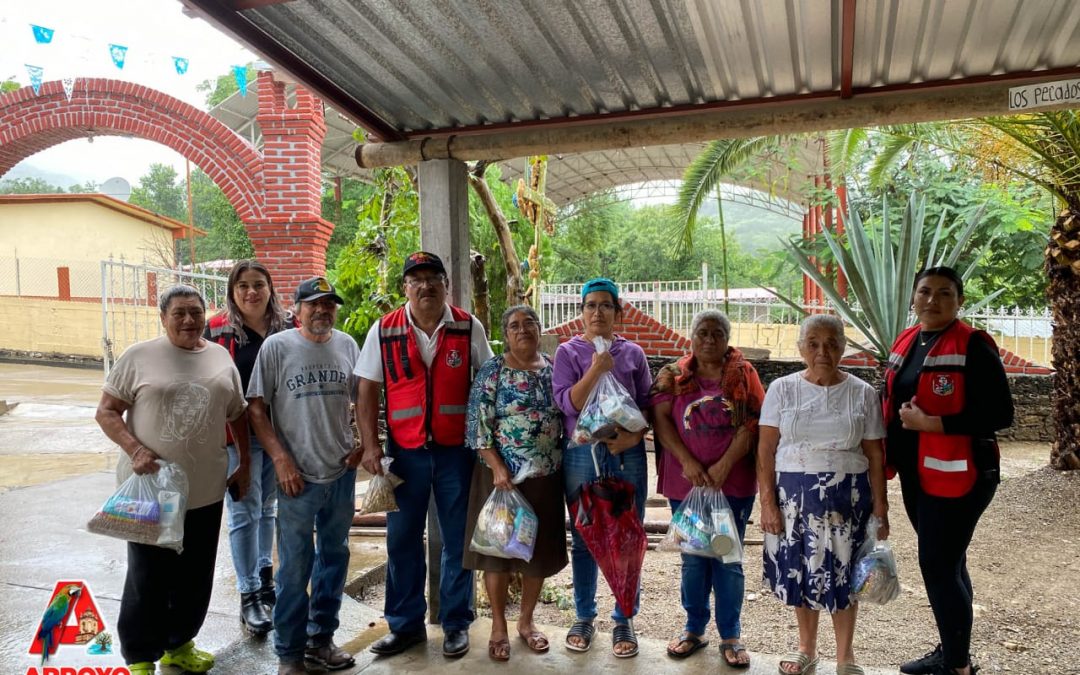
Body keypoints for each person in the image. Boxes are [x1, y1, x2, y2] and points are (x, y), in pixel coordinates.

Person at [95, 285, 249, 675]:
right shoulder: (139, 357)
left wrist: (244, 463)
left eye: (195, 312)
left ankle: (179, 643)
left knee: (196, 572)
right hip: (150, 488)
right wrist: (135, 449)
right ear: (162, 317)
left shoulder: (219, 357)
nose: (188, 320)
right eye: (178, 312)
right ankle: (142, 656)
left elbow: (238, 415)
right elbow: (107, 412)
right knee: (148, 573)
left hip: (205, 487)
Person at [357, 251, 494, 659]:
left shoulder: (468, 328)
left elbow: (486, 384)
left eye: (433, 278)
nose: (425, 286)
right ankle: (405, 626)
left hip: (456, 455)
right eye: (416, 279)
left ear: (446, 285)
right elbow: (366, 389)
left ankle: (455, 623)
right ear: (405, 288)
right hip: (405, 455)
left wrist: (486, 445)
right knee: (401, 541)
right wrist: (370, 445)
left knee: (457, 540)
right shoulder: (383, 330)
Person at [884, 267, 1013, 675]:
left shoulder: (973, 345)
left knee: (937, 565)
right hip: (918, 474)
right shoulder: (908, 341)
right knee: (950, 563)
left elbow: (1001, 412)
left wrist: (934, 425)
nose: (932, 300)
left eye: (944, 293)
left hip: (962, 473)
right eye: (924, 291)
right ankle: (955, 652)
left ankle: (955, 666)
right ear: (913, 298)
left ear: (959, 301)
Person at [757, 314, 889, 675]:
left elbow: (875, 454)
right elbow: (765, 451)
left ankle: (846, 658)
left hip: (850, 500)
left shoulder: (862, 393)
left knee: (845, 575)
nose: (823, 351)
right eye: (813, 343)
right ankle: (806, 650)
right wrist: (767, 504)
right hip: (795, 501)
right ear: (801, 348)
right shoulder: (781, 389)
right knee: (802, 571)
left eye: (832, 343)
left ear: (844, 348)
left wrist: (882, 507)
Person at [246, 276, 361, 675]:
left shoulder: (347, 344)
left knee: (335, 558)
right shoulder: (277, 347)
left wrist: (364, 441)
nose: (322, 311)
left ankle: (321, 640)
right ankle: (289, 654)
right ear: (297, 309)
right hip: (297, 476)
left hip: (341, 471)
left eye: (329, 305)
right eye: (314, 304)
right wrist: (279, 458)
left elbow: (360, 398)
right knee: (295, 567)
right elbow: (256, 408)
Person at [651, 310, 764, 669]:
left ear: (727, 338)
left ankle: (731, 635)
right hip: (687, 487)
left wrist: (724, 464)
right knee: (694, 560)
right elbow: (661, 420)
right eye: (702, 332)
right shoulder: (674, 376)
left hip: (731, 484)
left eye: (718, 333)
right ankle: (694, 629)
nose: (710, 339)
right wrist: (686, 461)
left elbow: (752, 423)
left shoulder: (744, 375)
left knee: (727, 560)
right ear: (691, 337)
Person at [552, 277, 652, 658]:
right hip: (581, 453)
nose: (597, 312)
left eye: (605, 305)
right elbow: (569, 406)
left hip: (626, 452)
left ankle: (624, 616)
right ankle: (583, 614)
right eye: (590, 305)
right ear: (581, 312)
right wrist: (596, 369)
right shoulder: (568, 353)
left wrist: (633, 437)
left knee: (628, 533)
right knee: (584, 534)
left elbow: (646, 405)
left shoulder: (634, 354)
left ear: (617, 312)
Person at [462, 305, 568, 662]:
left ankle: (526, 622)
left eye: (529, 323)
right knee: (498, 554)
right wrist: (496, 466)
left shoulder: (555, 368)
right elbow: (477, 426)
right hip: (501, 480)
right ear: (505, 335)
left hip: (545, 477)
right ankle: (498, 626)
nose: (522, 330)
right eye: (514, 326)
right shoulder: (493, 371)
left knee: (536, 555)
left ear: (540, 329)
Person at [205, 260, 294, 635]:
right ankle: (249, 596)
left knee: (268, 508)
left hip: (278, 433)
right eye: (243, 286)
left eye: (258, 284)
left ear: (270, 288)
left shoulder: (288, 325)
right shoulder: (216, 328)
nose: (251, 292)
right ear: (232, 291)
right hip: (236, 435)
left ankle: (265, 580)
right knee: (244, 510)